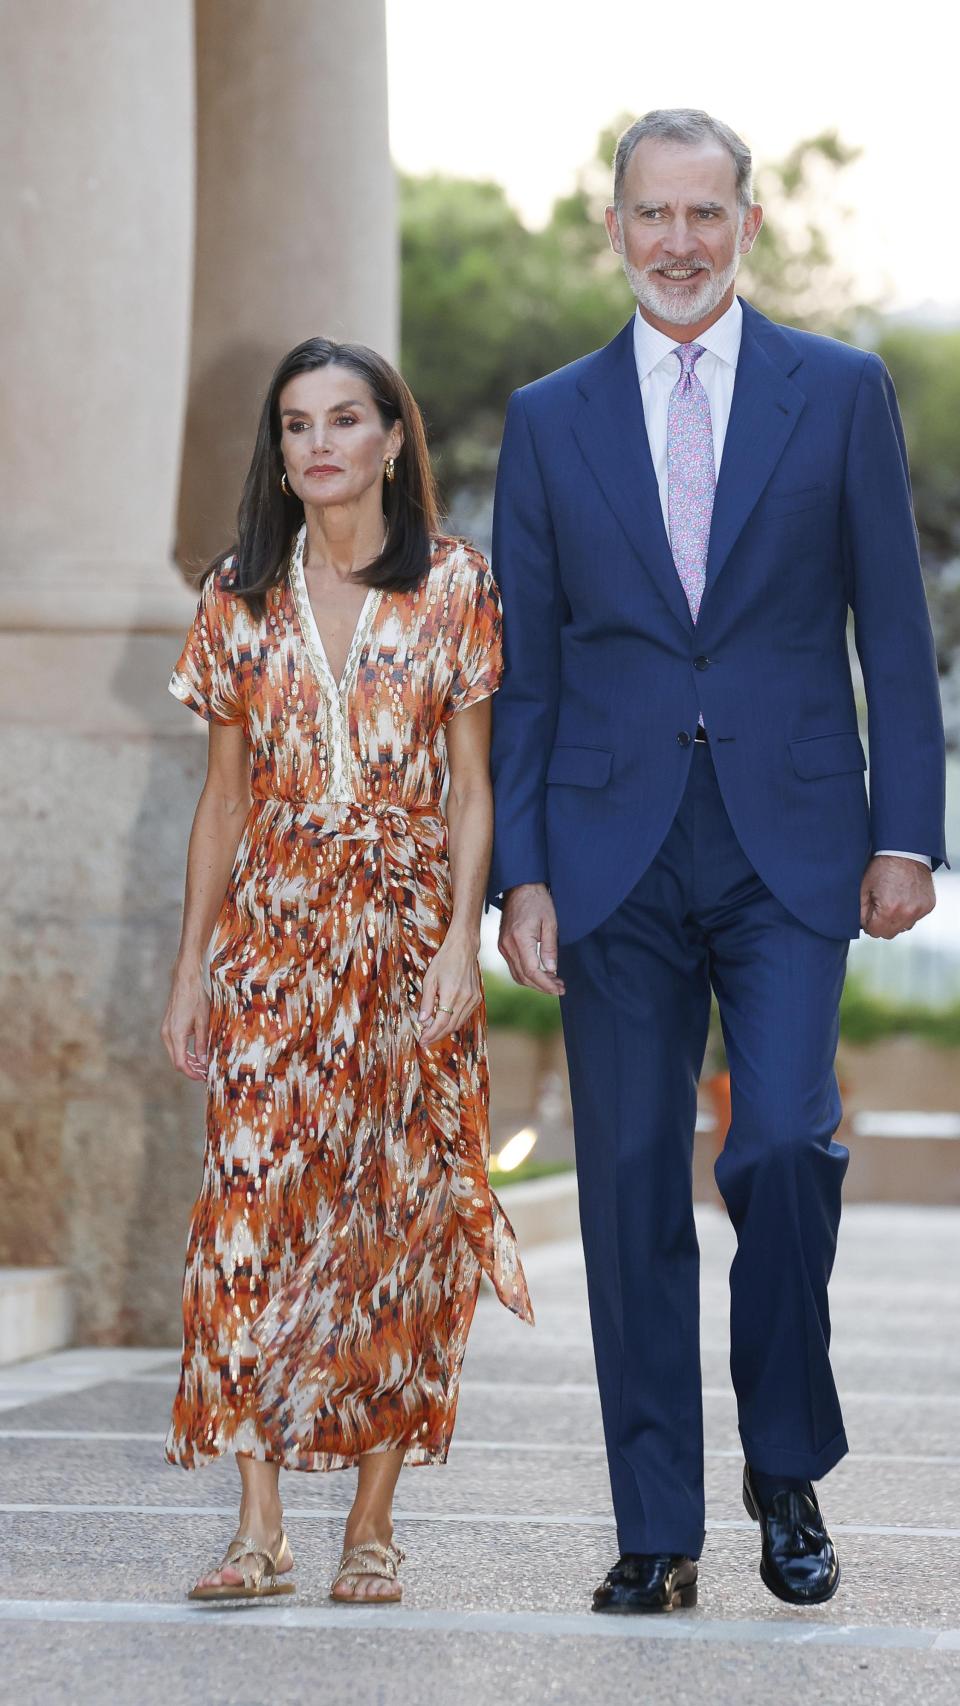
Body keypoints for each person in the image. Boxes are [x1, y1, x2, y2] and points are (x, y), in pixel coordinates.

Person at [490, 108, 945, 1614]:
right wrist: (525, 868)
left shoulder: (841, 391)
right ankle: (658, 1528)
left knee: (782, 1148)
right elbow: (531, 670)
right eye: (649, 214)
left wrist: (906, 829)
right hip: (609, 845)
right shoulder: (551, 418)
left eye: (704, 213)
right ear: (613, 228)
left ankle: (786, 1459)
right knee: (625, 1185)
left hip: (796, 843)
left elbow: (896, 622)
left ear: (747, 224)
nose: (677, 242)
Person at [161, 337, 532, 1606]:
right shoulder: (236, 594)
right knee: (250, 1215)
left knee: (402, 1222)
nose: (317, 443)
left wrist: (457, 946)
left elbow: (474, 790)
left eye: (343, 419)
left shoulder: (459, 585)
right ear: (280, 453)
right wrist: (190, 968)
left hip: (406, 935)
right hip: (270, 943)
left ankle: (372, 1522)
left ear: (391, 438)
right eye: (295, 425)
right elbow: (221, 801)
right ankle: (258, 1523)